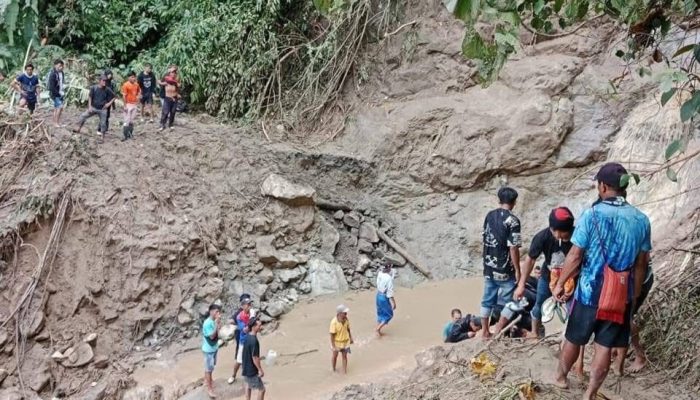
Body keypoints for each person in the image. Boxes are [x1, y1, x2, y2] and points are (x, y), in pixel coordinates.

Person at [553, 162, 651, 400]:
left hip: (589, 292)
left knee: (574, 338)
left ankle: (561, 378)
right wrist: (633, 295)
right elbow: (641, 265)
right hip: (620, 295)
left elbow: (575, 256)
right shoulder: (641, 220)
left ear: (604, 186)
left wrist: (559, 283)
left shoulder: (592, 214)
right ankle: (590, 394)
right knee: (605, 347)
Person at [515, 207, 575, 338]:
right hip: (548, 276)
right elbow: (530, 260)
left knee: (573, 309)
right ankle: (534, 332)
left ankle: (571, 337)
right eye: (560, 233)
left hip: (572, 278)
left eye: (567, 233)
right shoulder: (542, 237)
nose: (563, 236)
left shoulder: (577, 238)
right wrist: (521, 285)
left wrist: (567, 288)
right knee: (539, 304)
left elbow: (580, 262)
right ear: (554, 231)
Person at [480, 186, 522, 339]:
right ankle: (498, 330)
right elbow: (513, 247)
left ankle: (485, 332)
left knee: (487, 300)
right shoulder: (513, 221)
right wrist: (518, 269)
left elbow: (485, 238)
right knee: (512, 301)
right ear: (514, 202)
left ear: (499, 200)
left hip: (489, 266)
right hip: (504, 269)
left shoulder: (489, 215)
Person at [612, 259, 654, 375]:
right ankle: (617, 350)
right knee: (619, 315)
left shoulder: (635, 242)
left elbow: (641, 264)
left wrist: (635, 293)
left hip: (637, 280)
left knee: (626, 318)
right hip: (625, 277)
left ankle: (639, 356)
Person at [228, 296, 252, 384]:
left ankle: (251, 376)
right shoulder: (239, 316)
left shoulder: (252, 313)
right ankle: (233, 375)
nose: (249, 305)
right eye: (247, 304)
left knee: (252, 358)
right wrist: (251, 324)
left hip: (252, 339)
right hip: (243, 341)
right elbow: (245, 329)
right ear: (242, 306)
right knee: (239, 361)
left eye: (250, 304)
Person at [242, 317, 265, 400]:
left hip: (245, 367)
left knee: (247, 384)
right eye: (259, 325)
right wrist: (260, 370)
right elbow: (255, 357)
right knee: (262, 390)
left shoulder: (247, 337)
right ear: (254, 327)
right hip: (252, 370)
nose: (260, 327)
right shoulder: (254, 341)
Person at [202, 303, 222, 398]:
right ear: (211, 312)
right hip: (208, 350)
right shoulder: (207, 323)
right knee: (208, 369)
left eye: (219, 311)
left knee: (211, 367)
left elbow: (219, 332)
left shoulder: (214, 321)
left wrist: (218, 324)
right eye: (216, 311)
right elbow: (212, 335)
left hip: (214, 348)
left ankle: (208, 380)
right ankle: (209, 389)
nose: (218, 313)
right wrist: (216, 324)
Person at [329, 305, 354, 374]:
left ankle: (344, 371)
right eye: (344, 313)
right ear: (339, 313)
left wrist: (351, 338)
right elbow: (332, 335)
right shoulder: (334, 322)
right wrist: (334, 346)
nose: (346, 314)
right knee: (335, 356)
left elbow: (348, 329)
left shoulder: (346, 319)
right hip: (337, 342)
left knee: (344, 356)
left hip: (345, 342)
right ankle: (333, 369)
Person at [375, 263, 397, 336]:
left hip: (378, 295)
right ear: (388, 269)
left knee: (380, 313)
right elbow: (390, 292)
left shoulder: (380, 273)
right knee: (389, 315)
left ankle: (378, 328)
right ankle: (378, 329)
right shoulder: (388, 278)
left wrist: (391, 275)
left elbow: (383, 282)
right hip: (384, 297)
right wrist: (394, 303)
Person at [120, 71, 141, 141]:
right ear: (128, 78)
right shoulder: (125, 85)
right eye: (132, 77)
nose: (133, 78)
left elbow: (138, 92)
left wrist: (137, 102)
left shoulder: (136, 85)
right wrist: (125, 106)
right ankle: (124, 135)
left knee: (131, 121)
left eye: (134, 77)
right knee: (126, 121)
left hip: (134, 104)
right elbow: (123, 96)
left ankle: (130, 134)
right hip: (128, 104)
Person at [158, 65, 180, 131]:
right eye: (172, 72)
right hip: (167, 98)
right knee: (165, 112)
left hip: (174, 98)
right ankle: (162, 124)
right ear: (170, 73)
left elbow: (179, 86)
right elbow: (160, 82)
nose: (173, 74)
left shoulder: (177, 80)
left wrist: (178, 93)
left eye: (174, 73)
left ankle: (171, 124)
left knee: (173, 112)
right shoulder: (166, 79)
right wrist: (160, 82)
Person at [47, 59, 65, 127]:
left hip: (60, 92)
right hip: (55, 94)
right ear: (55, 65)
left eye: (62, 66)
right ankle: (56, 123)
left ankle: (55, 122)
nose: (61, 67)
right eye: (59, 66)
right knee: (60, 107)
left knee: (56, 108)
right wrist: (58, 94)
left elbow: (61, 83)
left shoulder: (62, 73)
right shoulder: (52, 74)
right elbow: (51, 87)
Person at [103, 69, 117, 133]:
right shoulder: (103, 82)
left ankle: (106, 128)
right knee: (103, 114)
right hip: (103, 100)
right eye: (108, 74)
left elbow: (113, 94)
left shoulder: (111, 83)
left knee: (107, 115)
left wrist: (113, 105)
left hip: (109, 101)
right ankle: (102, 127)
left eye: (110, 74)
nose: (110, 75)